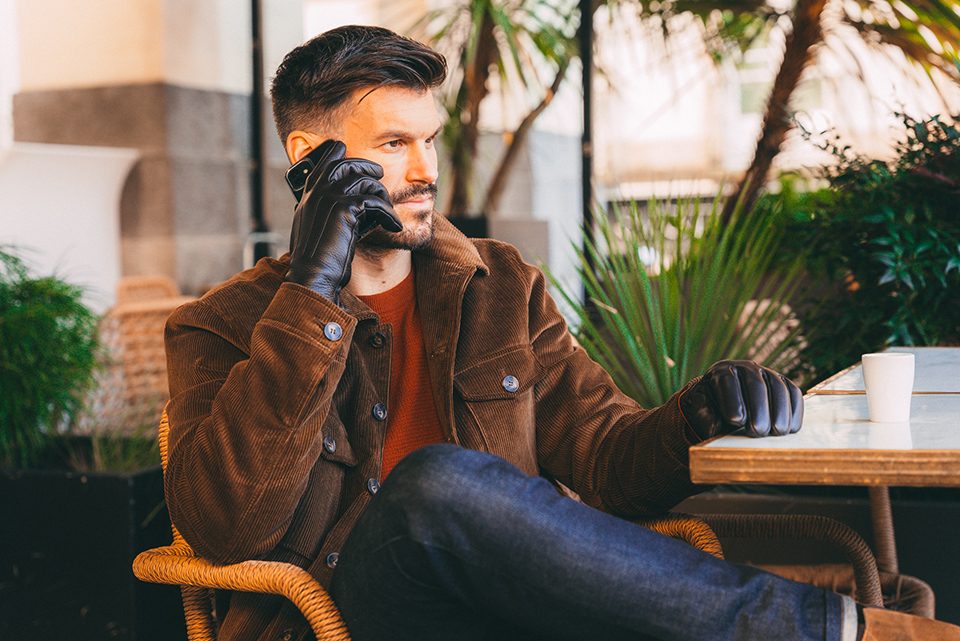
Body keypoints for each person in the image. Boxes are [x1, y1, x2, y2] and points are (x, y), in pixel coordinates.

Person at [163, 24, 959, 641]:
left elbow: (605, 458)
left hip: (521, 609)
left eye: (430, 140)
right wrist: (312, 292)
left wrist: (697, 414)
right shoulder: (222, 324)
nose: (425, 170)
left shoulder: (500, 284)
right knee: (436, 485)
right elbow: (227, 527)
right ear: (312, 159)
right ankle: (841, 630)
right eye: (394, 144)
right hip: (352, 613)